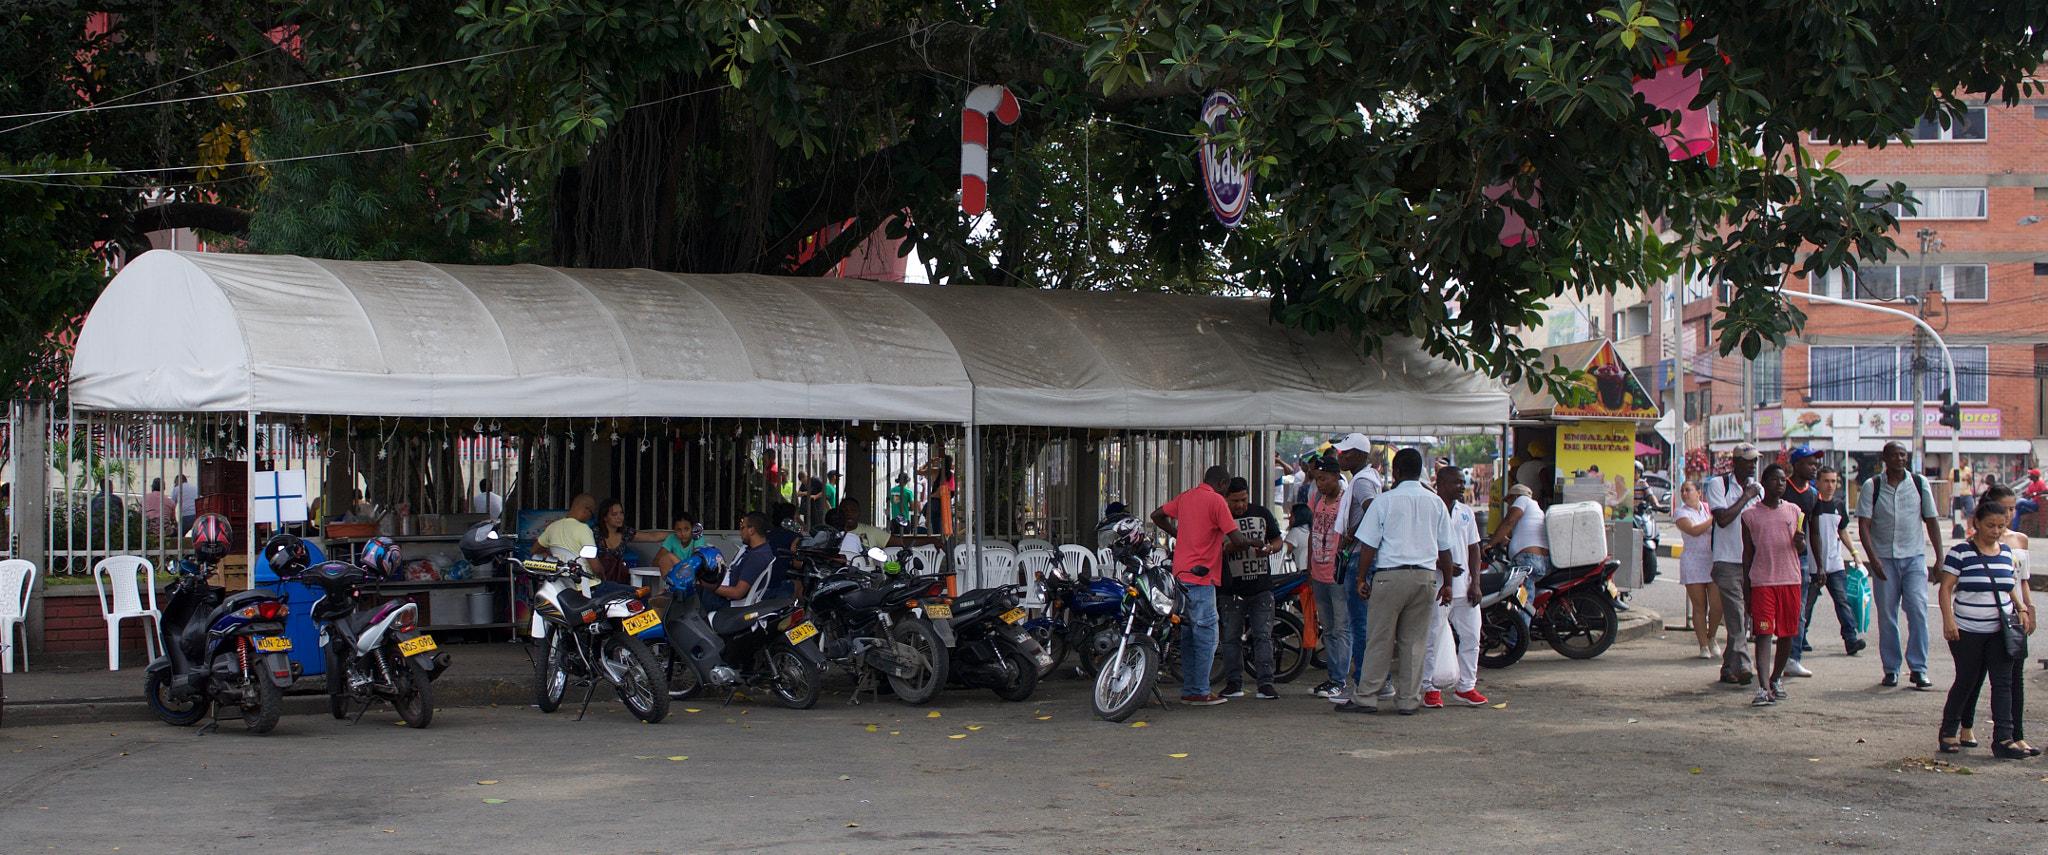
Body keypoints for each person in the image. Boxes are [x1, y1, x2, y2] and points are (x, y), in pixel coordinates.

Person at [1335, 448, 1456, 715]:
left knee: (1379, 638)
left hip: (1390, 577)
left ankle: (1366, 697)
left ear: (1397, 472)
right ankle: (1408, 700)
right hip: (1425, 578)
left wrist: (1360, 578)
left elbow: (1368, 545)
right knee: (1414, 642)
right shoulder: (1435, 502)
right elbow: (1445, 549)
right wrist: (1447, 583)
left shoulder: (1384, 501)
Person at [1152, 465, 1254, 706]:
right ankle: (1199, 690)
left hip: (1180, 578)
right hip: (1202, 578)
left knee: (1188, 636)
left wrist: (1178, 533)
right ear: (1222, 484)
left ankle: (1190, 688)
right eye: (1227, 488)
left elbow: (1156, 515)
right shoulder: (1216, 501)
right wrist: (1255, 542)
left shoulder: (1186, 497)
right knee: (1207, 636)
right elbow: (1237, 539)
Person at [1937, 501, 2030, 759]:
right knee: (1967, 679)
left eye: (2001, 526)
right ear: (1976, 523)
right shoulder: (1961, 552)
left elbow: (2008, 584)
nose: (1996, 531)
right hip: (1966, 629)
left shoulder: (2005, 552)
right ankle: (1948, 730)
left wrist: (2021, 608)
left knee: (2002, 682)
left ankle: (2003, 738)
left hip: (1999, 630)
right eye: (1990, 525)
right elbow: (1945, 588)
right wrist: (1948, 620)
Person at [1857, 440, 1943, 689]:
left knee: (1917, 608)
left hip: (1914, 558)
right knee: (1887, 615)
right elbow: (1864, 525)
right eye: (1894, 455)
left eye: (1903, 455)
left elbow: (1932, 520)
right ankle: (1891, 669)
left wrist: (1939, 557)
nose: (1899, 459)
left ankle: (1918, 668)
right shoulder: (1872, 486)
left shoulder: (1919, 483)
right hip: (1884, 560)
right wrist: (1872, 559)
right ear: (1884, 459)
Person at [1741, 463, 1807, 707]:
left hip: (1790, 579)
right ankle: (1762, 687)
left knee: (1788, 633)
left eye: (1783, 480)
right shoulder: (1750, 516)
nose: (1780, 484)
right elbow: (1747, 554)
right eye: (1776, 480)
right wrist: (1746, 589)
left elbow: (1802, 548)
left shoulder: (1794, 511)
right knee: (1764, 633)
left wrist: (1800, 543)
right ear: (1764, 482)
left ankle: (1776, 678)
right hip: (1762, 582)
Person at [1217, 477, 1284, 700]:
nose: (1239, 505)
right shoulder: (1220, 516)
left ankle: (1265, 682)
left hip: (1261, 586)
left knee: (1263, 636)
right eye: (1234, 500)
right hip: (1231, 588)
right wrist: (1229, 548)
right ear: (1226, 498)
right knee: (1230, 637)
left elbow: (1277, 540)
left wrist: (1269, 549)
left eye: (1243, 500)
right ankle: (1233, 682)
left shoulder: (1262, 513)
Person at [1427, 464, 1488, 707]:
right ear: (1441, 484)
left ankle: (1466, 687)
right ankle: (1429, 688)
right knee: (1433, 636)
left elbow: (1474, 547)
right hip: (1439, 586)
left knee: (1472, 636)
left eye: (1463, 482)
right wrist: (1443, 565)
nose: (1462, 486)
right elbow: (1422, 545)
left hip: (1465, 588)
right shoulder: (1430, 509)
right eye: (1457, 482)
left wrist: (1476, 582)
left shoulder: (1466, 512)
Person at [1705, 442, 1764, 685]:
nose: (1753, 465)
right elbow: (1722, 519)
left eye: (1755, 461)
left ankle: (1729, 667)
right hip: (1726, 560)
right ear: (1735, 462)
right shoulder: (1719, 484)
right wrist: (1744, 497)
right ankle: (1746, 664)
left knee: (1741, 617)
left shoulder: (1757, 489)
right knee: (1737, 615)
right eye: (1748, 460)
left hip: (1751, 562)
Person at [1330, 433, 1383, 696]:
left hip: (1360, 558)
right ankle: (1380, 682)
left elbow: (1372, 508)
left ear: (1360, 455)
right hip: (1366, 557)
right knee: (1368, 626)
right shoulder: (1369, 478)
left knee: (1359, 626)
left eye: (1346, 453)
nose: (1341, 456)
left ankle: (1363, 684)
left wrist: (1352, 532)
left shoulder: (1362, 481)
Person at [1801, 466, 1867, 659]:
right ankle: (1801, 637)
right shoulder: (1811, 504)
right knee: (1807, 604)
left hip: (1835, 564)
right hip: (1813, 565)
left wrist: (1854, 552)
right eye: (1826, 481)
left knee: (1843, 602)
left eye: (1833, 481)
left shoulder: (1838, 505)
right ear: (1818, 482)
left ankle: (1850, 639)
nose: (1830, 485)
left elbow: (1842, 530)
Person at [1304, 456, 1351, 700]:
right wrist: (1309, 568)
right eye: (1315, 479)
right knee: (1329, 628)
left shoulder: (1346, 501)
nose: (1319, 484)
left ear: (1336, 476)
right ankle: (1334, 677)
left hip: (1337, 575)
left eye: (1323, 479)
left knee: (1342, 628)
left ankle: (1340, 679)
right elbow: (1313, 532)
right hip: (1318, 572)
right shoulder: (1316, 500)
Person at [1780, 447, 1823, 678]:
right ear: (1796, 465)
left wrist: (1821, 565)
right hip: (1777, 556)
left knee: (1799, 610)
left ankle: (1793, 658)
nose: (1813, 467)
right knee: (1779, 608)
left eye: (1815, 463)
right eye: (1809, 463)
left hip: (1801, 557)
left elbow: (1814, 532)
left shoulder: (1813, 495)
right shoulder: (1782, 488)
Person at [1671, 479, 1722, 659]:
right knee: (1699, 606)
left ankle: (1712, 636)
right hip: (1693, 561)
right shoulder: (1680, 513)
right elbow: (1693, 530)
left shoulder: (1708, 508)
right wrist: (1714, 519)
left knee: (1717, 605)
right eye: (1682, 491)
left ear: (1698, 492)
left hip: (1712, 560)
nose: (1685, 494)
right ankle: (1703, 645)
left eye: (1688, 490)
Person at [701, 511, 777, 614]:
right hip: (722, 590)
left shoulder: (757, 557)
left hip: (726, 603)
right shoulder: (753, 549)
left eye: (742, 528)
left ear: (751, 530)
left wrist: (706, 585)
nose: (740, 531)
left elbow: (737, 593)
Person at [590, 498, 666, 586]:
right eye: (615, 514)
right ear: (605, 517)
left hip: (618, 581)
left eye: (621, 513)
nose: (619, 517)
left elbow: (652, 536)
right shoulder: (594, 532)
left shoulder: (625, 533)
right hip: (596, 581)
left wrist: (677, 533)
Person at [537, 494, 600, 586]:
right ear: (587, 510)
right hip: (587, 587)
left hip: (563, 586)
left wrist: (555, 561)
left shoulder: (552, 527)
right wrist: (603, 576)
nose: (590, 518)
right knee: (624, 591)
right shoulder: (583, 528)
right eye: (592, 514)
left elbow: (535, 551)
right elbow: (596, 567)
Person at [653, 510, 709, 575]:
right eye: (678, 530)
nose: (682, 533)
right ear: (674, 530)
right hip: (678, 577)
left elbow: (697, 562)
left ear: (693, 528)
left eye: (686, 529)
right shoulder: (672, 538)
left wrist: (673, 561)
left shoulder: (697, 538)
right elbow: (655, 561)